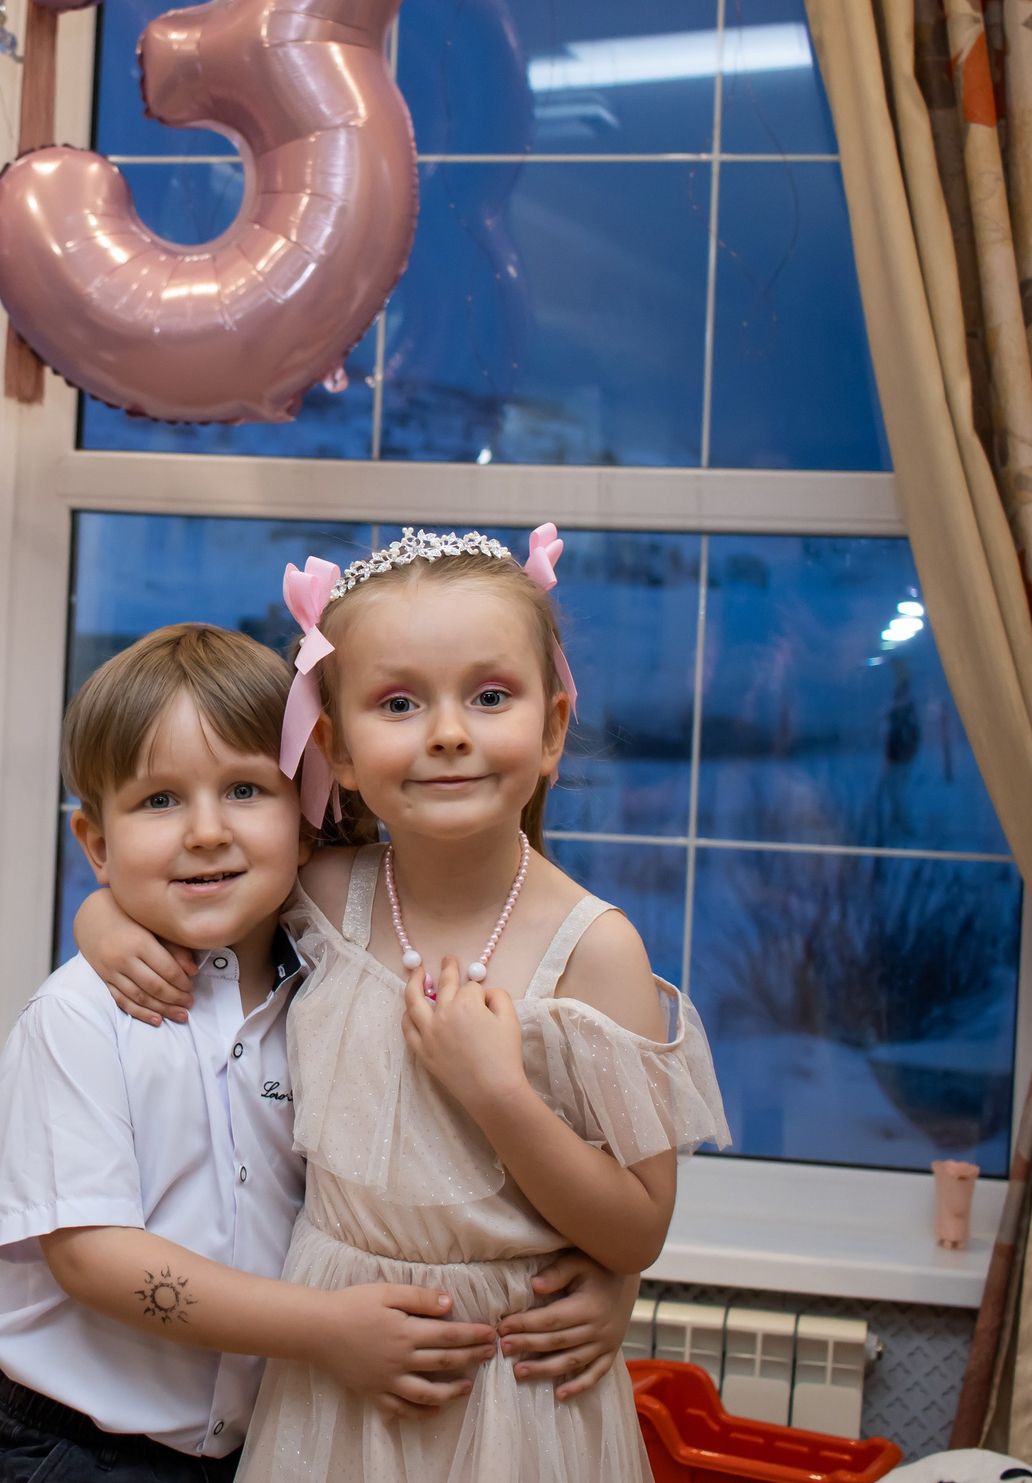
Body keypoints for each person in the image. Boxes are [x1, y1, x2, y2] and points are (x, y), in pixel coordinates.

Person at [77, 530, 728, 1483]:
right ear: (335, 748)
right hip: (332, 1381)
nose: (449, 732)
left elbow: (636, 1231)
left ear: (552, 729)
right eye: (399, 703)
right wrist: (101, 918)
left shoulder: (594, 952)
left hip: (510, 1391)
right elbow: (190, 885)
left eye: (490, 697)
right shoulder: (318, 895)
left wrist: (497, 1093)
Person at [0, 623, 634, 1483]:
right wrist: (327, 1330)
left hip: (265, 1439)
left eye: (245, 790)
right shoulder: (77, 1017)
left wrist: (606, 1273)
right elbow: (93, 1259)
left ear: (307, 824)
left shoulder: (339, 986)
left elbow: (439, 1173)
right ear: (97, 845)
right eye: (160, 801)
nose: (206, 831)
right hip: (79, 1447)